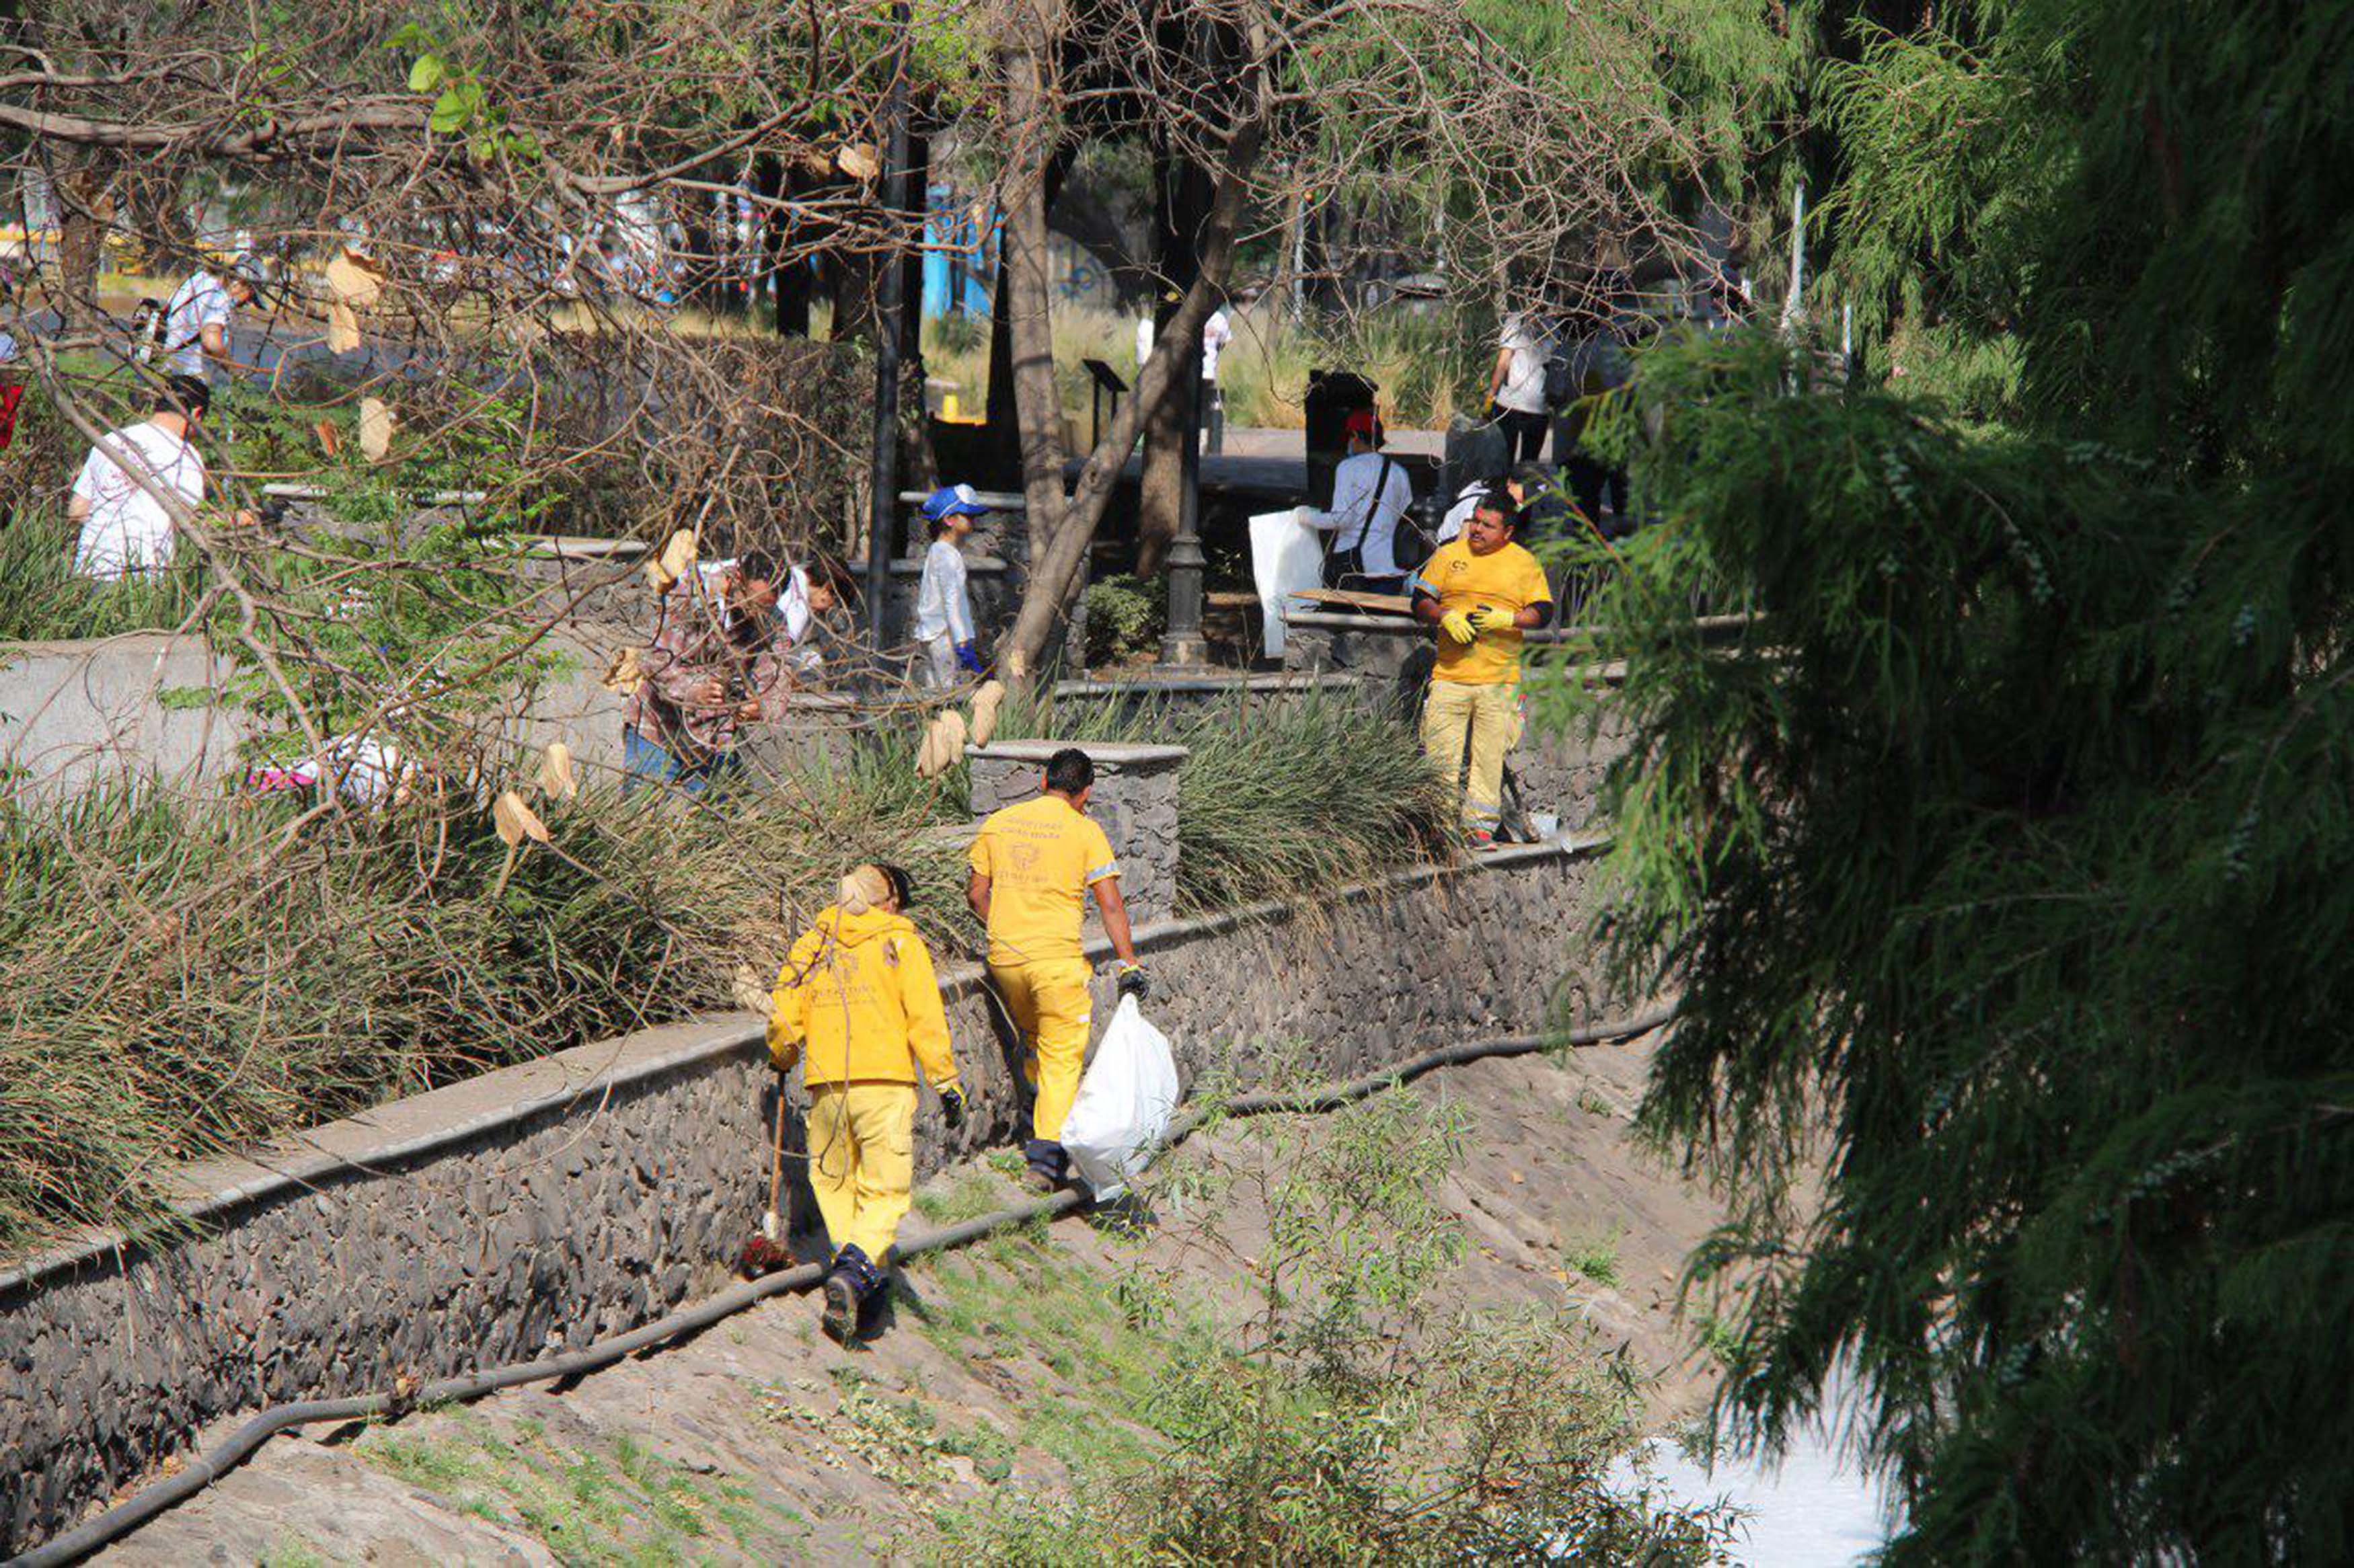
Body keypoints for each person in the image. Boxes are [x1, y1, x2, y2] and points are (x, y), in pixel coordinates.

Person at [767, 862, 964, 1341]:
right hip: (885, 1086)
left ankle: (863, 1290)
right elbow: (924, 1017)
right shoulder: (900, 944)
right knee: (886, 1193)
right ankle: (854, 1274)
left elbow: (785, 1015)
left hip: (827, 1086)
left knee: (838, 1189)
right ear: (886, 900)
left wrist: (783, 1055)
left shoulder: (812, 946)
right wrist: (946, 1081)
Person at [966, 747, 1147, 1192]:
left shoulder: (999, 823)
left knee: (1034, 1039)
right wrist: (1130, 963)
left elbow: (975, 895)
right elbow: (1110, 904)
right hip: (1057, 965)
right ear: (1085, 794)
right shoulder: (1086, 832)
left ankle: (1035, 1107)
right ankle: (1045, 1161)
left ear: (1043, 781)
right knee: (1062, 1056)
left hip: (1006, 961)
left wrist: (1006, 930)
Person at [1411, 487, 1556, 848]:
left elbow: (1542, 612)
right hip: (1450, 677)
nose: (1477, 530)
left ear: (1507, 532)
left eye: (1487, 526)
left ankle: (1478, 829)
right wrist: (1445, 615)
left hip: (1499, 681)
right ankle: (1439, 829)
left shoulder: (1524, 563)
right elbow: (1420, 602)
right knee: (1440, 758)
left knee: (1488, 759)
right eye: (1475, 521)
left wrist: (1507, 618)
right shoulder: (1448, 556)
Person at [622, 550, 786, 793]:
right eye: (751, 601)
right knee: (642, 815)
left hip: (714, 739)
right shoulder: (690, 596)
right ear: (735, 579)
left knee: (717, 822)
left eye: (764, 607)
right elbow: (656, 660)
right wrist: (692, 690)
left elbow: (779, 676)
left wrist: (762, 707)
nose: (755, 614)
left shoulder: (772, 623)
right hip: (658, 729)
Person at [67, 375, 250, 580]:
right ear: (197, 414)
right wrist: (250, 517)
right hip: (139, 577)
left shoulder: (110, 440)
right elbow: (195, 525)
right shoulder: (183, 455)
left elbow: (77, 511)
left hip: (87, 570)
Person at [1299, 406, 1414, 594]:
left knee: (1349, 622)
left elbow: (1342, 520)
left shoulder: (1348, 468)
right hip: (1390, 570)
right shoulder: (1399, 472)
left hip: (1355, 571)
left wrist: (1306, 517)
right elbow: (1401, 516)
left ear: (1355, 436)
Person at [914, 484, 987, 689]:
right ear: (949, 519)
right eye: (968, 516)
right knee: (947, 695)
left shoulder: (941, 551)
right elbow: (951, 601)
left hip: (936, 633)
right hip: (943, 637)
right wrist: (961, 641)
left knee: (935, 692)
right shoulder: (945, 554)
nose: (972, 521)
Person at [158, 262, 258, 381]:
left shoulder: (199, 279)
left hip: (163, 367)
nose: (248, 303)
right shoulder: (217, 300)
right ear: (240, 284)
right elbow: (212, 344)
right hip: (186, 377)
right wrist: (235, 372)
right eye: (251, 296)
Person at [1486, 311, 1551, 465]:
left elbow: (1503, 362)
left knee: (1504, 461)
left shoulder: (1516, 320)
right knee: (1529, 465)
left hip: (1509, 404)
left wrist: (1490, 398)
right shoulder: (1557, 325)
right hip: (1537, 407)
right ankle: (1523, 488)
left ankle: (1503, 488)